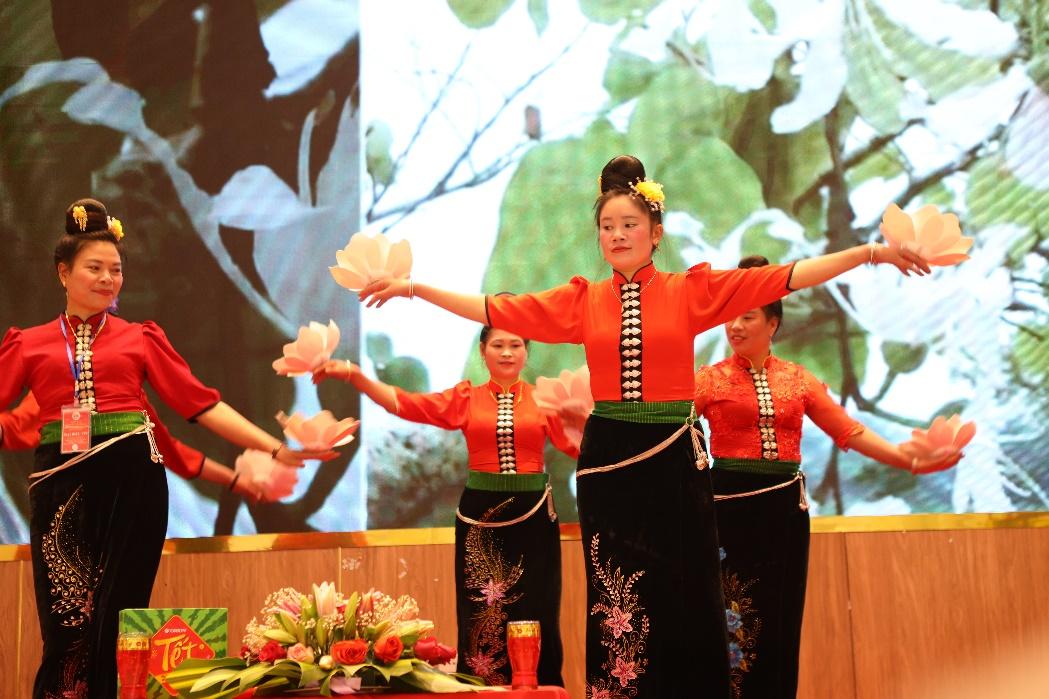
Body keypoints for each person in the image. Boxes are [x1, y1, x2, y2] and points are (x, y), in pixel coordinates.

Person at [354, 155, 931, 697]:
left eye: (629, 224)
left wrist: (872, 253)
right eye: (607, 227)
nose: (617, 235)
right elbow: (494, 308)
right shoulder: (582, 301)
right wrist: (413, 289)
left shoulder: (691, 291)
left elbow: (788, 276)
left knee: (690, 588)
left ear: (656, 232)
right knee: (617, 595)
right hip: (609, 461)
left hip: (674, 456)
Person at [0, 198, 333, 699]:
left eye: (116, 269)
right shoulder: (28, 343)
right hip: (59, 482)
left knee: (120, 610)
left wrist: (274, 449)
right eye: (94, 268)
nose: (108, 279)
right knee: (66, 617)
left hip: (133, 478)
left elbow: (201, 405)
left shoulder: (140, 338)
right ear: (63, 273)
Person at [694, 255, 962, 698]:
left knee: (780, 617)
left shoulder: (799, 380)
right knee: (733, 618)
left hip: (783, 513)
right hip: (728, 513)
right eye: (730, 316)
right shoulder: (708, 380)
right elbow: (673, 428)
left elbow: (848, 431)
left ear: (773, 323)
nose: (735, 326)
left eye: (748, 316)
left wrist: (908, 460)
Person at [313, 325, 580, 686]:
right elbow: (406, 403)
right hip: (480, 516)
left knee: (537, 606)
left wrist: (582, 419)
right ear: (483, 351)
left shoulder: (544, 399)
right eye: (498, 345)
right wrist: (356, 376)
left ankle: (538, 688)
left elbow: (577, 447)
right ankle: (484, 689)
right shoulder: (465, 398)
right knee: (481, 611)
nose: (506, 352)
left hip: (533, 516)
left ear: (526, 352)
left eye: (515, 345)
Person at [0, 391, 271, 502]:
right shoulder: (59, 381)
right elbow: (17, 426)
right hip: (70, 507)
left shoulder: (130, 395)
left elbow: (171, 451)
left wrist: (234, 480)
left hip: (126, 508)